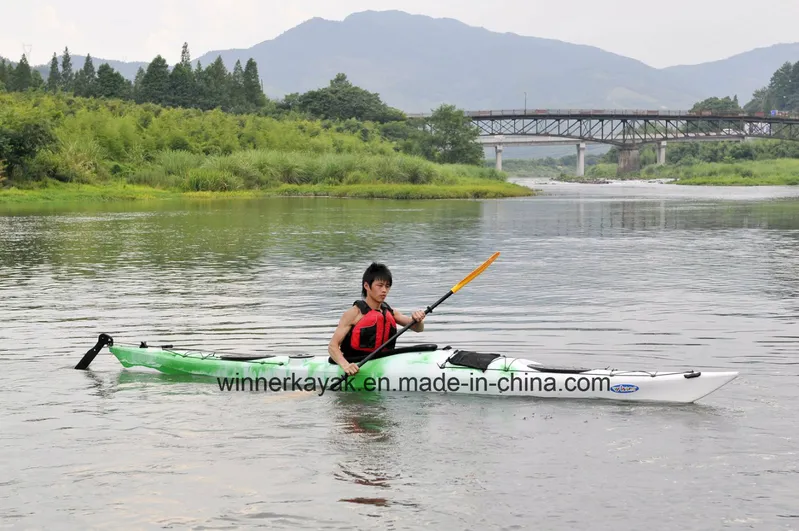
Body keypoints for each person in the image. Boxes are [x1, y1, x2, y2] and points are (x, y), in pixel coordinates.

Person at [328, 262, 426, 376]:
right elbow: (333, 346)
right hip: (357, 364)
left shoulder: (390, 312)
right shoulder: (354, 313)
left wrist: (417, 320)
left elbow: (418, 328)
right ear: (367, 286)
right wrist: (346, 365)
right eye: (380, 285)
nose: (384, 290)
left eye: (387, 286)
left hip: (382, 361)